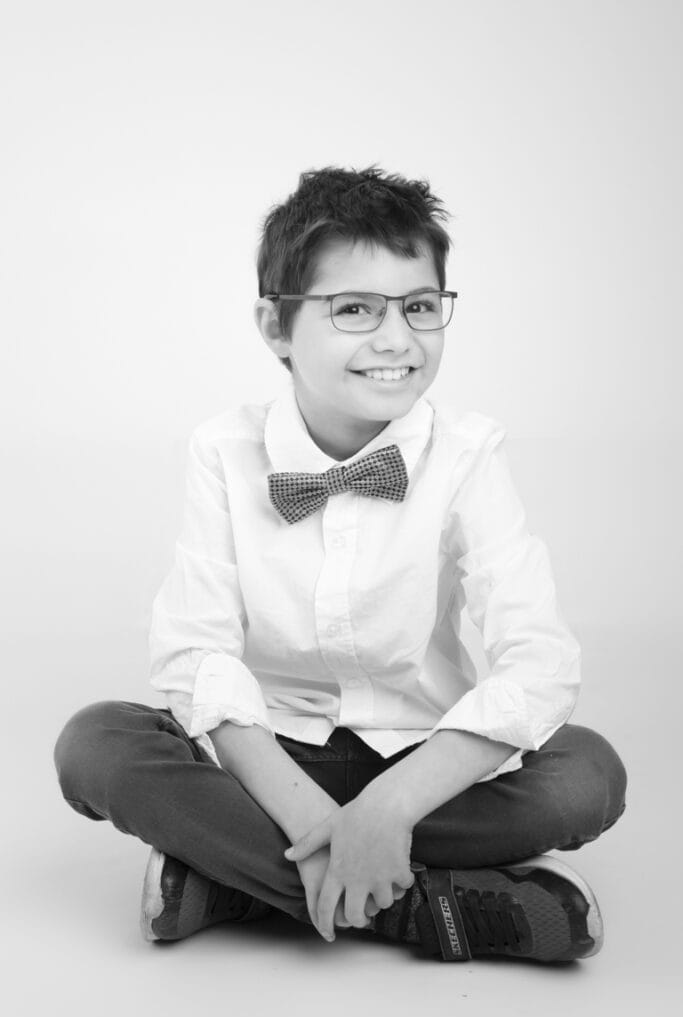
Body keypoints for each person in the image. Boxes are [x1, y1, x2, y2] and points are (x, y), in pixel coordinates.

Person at [53, 165, 627, 964]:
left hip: (423, 759)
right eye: (354, 309)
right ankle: (427, 911)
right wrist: (307, 813)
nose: (397, 340)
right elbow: (196, 653)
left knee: (584, 778)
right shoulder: (224, 451)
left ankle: (236, 879)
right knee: (97, 743)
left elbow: (538, 661)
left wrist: (388, 808)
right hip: (273, 755)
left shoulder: (466, 454)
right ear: (276, 326)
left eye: (420, 308)